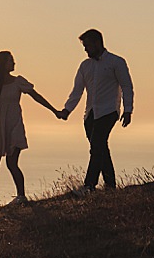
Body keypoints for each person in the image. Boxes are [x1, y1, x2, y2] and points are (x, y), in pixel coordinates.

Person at [0, 50, 59, 211]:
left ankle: (21, 196)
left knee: (12, 162)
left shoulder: (18, 82)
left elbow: (36, 96)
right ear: (3, 65)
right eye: (10, 61)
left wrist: (54, 110)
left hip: (14, 126)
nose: (14, 63)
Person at [55, 29, 134, 195]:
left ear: (97, 43)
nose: (85, 50)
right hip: (90, 114)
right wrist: (67, 110)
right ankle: (110, 186)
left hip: (109, 111)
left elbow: (127, 86)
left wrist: (128, 110)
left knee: (97, 147)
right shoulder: (85, 66)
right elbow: (77, 90)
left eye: (87, 46)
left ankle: (89, 185)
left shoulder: (116, 62)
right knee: (100, 148)